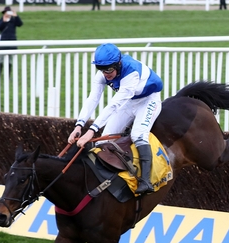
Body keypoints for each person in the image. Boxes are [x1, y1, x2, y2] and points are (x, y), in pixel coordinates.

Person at [67, 43, 163, 195]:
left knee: (138, 135)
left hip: (148, 100)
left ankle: (146, 181)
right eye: (101, 69)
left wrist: (92, 130)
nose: (106, 73)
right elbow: (92, 99)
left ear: (118, 63)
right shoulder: (104, 74)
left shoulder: (131, 73)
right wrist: (79, 126)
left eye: (109, 69)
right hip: (129, 101)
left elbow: (113, 105)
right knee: (102, 142)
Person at [0, 5, 22, 73]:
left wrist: (16, 16)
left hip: (11, 42)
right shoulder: (1, 20)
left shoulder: (13, 20)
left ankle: (8, 75)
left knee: (9, 60)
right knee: (0, 59)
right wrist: (4, 21)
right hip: (3, 42)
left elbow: (20, 24)